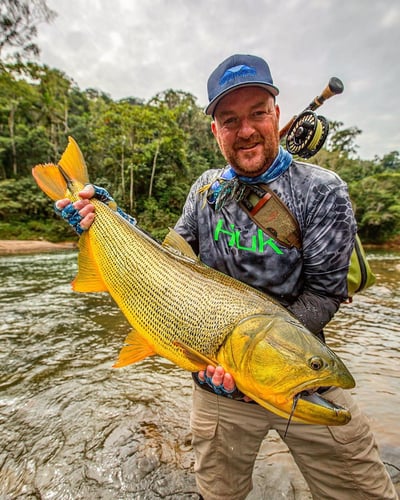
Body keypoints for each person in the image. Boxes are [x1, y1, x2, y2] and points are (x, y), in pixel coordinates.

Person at [55, 54, 398, 500]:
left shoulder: (323, 190)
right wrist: (107, 214)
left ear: (277, 114)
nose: (247, 129)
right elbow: (167, 261)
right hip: (213, 381)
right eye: (230, 119)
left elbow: (325, 294)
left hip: (298, 372)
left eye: (258, 113)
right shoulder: (204, 190)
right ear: (215, 130)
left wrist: (254, 360)